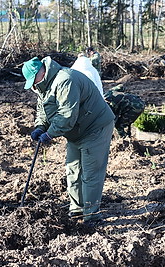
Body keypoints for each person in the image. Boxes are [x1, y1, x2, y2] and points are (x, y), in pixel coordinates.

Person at [22, 56, 115, 226]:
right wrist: (40, 126)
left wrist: (50, 134)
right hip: (77, 131)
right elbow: (43, 109)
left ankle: (92, 215)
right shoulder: (42, 85)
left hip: (95, 126)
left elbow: (66, 116)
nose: (33, 86)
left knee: (90, 172)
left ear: (41, 72)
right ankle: (77, 209)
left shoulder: (65, 80)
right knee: (73, 170)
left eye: (33, 80)